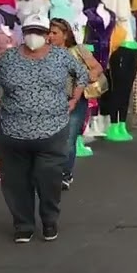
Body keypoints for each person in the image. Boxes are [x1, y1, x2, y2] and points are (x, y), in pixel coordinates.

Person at [0, 13, 88, 243]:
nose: (33, 36)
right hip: (12, 131)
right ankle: (23, 225)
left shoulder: (61, 56)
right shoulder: (8, 58)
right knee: (15, 182)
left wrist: (74, 99)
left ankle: (49, 220)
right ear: (23, 33)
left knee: (49, 179)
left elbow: (82, 75)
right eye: (29, 31)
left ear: (47, 34)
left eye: (38, 32)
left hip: (52, 131)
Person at [47, 19, 104, 190]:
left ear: (65, 35)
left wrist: (90, 74)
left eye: (54, 33)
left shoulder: (78, 50)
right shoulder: (45, 52)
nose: (50, 36)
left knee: (69, 138)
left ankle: (65, 174)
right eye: (49, 32)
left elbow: (97, 67)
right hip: (51, 101)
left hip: (76, 101)